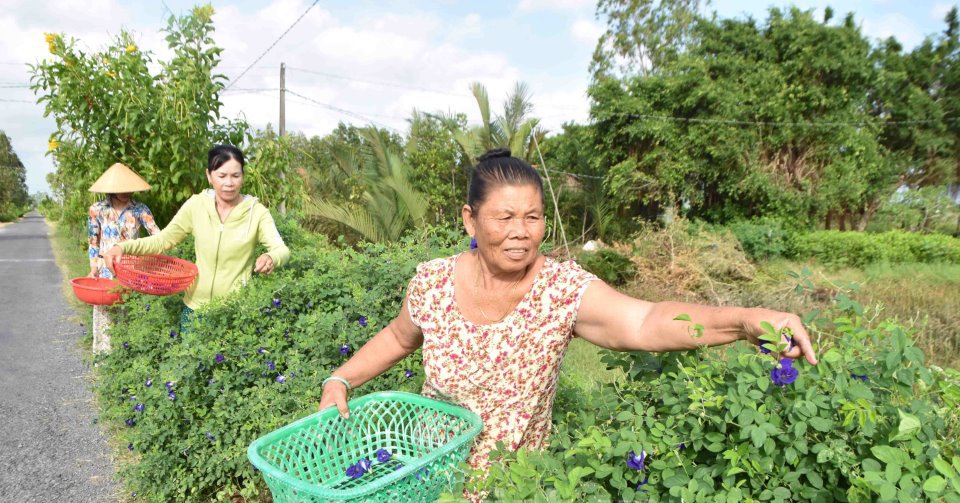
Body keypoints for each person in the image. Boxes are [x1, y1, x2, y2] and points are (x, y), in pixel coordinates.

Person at [318, 148, 818, 476]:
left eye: (533, 217)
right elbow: (398, 337)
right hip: (427, 475)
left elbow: (644, 322)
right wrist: (340, 378)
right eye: (505, 217)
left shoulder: (560, 290)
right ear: (470, 217)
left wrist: (745, 320)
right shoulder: (432, 280)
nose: (521, 231)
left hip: (516, 486)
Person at [103, 145, 290, 329]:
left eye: (235, 175)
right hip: (195, 310)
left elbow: (281, 249)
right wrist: (123, 247)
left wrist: (271, 257)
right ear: (209, 176)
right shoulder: (196, 205)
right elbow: (163, 240)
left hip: (236, 312)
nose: (229, 183)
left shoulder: (256, 213)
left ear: (243, 176)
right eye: (222, 176)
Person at [87, 162, 161, 354]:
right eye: (121, 188)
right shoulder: (97, 210)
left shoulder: (140, 209)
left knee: (128, 310)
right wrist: (93, 267)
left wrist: (155, 258)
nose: (126, 192)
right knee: (104, 311)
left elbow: (157, 235)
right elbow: (93, 240)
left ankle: (126, 356)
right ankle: (104, 357)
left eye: (129, 188)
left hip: (131, 268)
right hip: (105, 267)